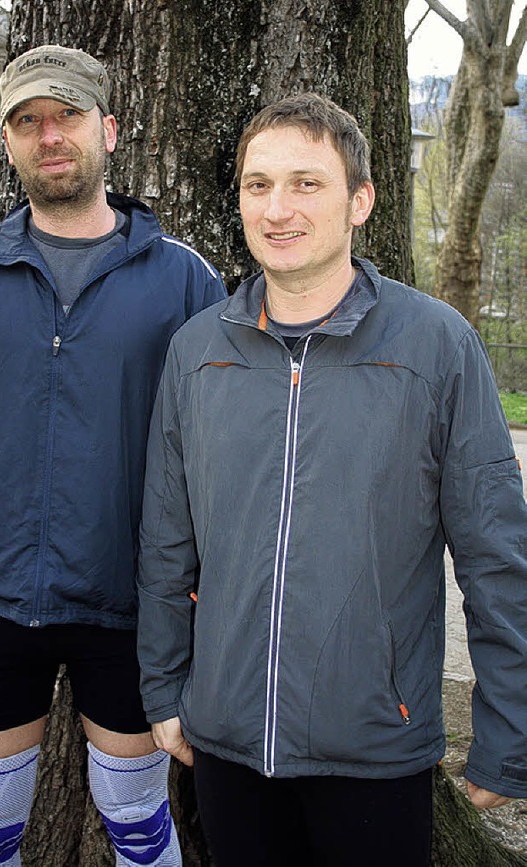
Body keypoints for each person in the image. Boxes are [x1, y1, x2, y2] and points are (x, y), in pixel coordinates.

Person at [137, 92, 527, 866]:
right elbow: (164, 541)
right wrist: (163, 689)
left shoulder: (435, 346)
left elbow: (496, 553)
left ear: (360, 201)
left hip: (376, 749)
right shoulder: (197, 352)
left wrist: (509, 728)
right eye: (258, 184)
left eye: (306, 183)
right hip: (227, 747)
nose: (277, 208)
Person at [0, 44, 225, 867]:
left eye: (66, 115)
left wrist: (210, 592)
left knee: (138, 819)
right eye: (28, 121)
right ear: (9, 141)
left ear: (107, 128)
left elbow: (223, 453)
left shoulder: (184, 281)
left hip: (133, 601)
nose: (50, 136)